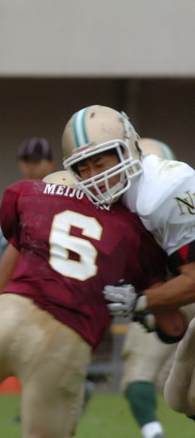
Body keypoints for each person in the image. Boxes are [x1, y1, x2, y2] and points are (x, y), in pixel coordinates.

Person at [0, 168, 185, 438]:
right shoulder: (130, 230)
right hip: (63, 337)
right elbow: (173, 327)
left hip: (5, 315)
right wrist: (144, 310)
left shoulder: (30, 196)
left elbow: (0, 288)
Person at [59, 106, 195, 420]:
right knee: (178, 398)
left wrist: (140, 300)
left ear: (128, 150)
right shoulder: (113, 208)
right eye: (83, 168)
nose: (95, 177)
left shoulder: (163, 190)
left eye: (101, 163)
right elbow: (173, 324)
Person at [116, 138, 195, 438]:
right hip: (162, 293)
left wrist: (141, 302)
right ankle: (154, 433)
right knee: (167, 389)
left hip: (170, 290)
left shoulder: (173, 195)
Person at [0, 137, 56, 284]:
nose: (30, 167)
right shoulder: (21, 193)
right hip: (24, 267)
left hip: (55, 267)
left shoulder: (63, 190)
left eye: (36, 162)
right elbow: (5, 229)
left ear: (51, 164)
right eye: (26, 161)